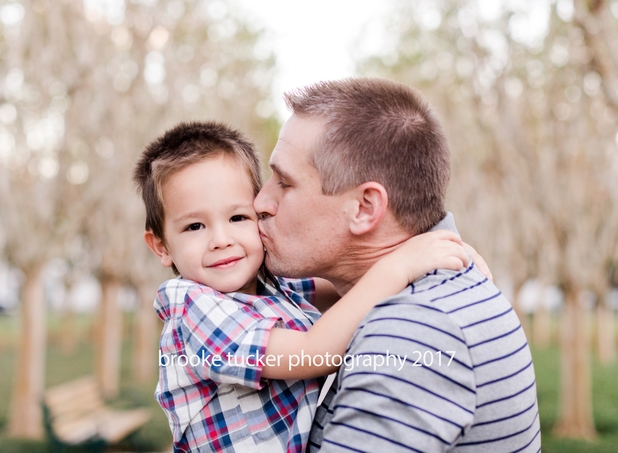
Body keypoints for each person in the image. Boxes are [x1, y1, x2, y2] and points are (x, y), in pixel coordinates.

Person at [133, 121, 470, 453]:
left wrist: (437, 249)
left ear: (260, 213)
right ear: (161, 246)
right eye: (195, 226)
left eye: (238, 218)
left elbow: (350, 284)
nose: (221, 240)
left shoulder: (269, 283)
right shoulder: (193, 308)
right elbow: (310, 354)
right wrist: (400, 266)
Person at [253, 78, 541, 452]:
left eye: (284, 183)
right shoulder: (435, 293)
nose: (260, 201)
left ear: (365, 208)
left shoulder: (413, 330)